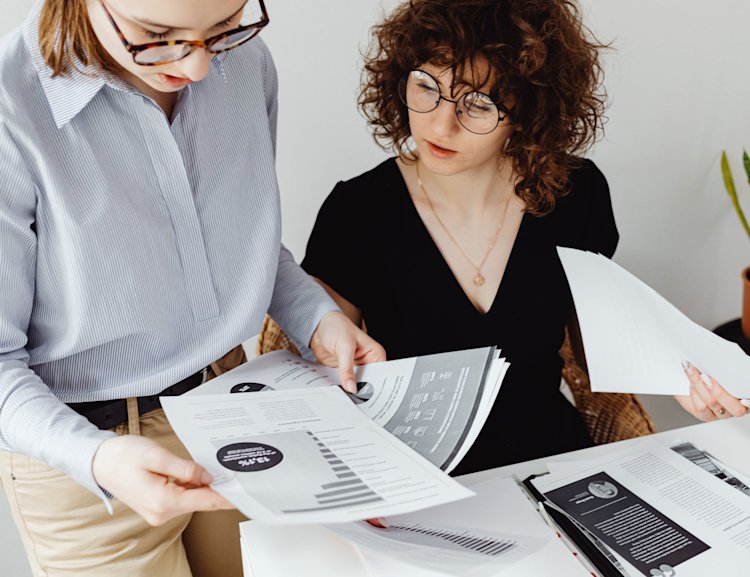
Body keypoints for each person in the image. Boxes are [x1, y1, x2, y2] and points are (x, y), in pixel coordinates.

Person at [0, 1, 384, 576]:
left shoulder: (247, 64)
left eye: (224, 27)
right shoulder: (11, 106)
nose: (199, 67)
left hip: (237, 410)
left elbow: (237, 239)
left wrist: (315, 316)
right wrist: (97, 458)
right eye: (157, 35)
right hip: (86, 461)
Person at [301, 0, 747, 478]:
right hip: (415, 477)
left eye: (478, 104)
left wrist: (685, 381)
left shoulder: (574, 194)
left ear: (528, 110)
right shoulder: (358, 210)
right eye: (427, 86)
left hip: (552, 468)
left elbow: (597, 345)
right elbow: (320, 375)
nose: (441, 124)